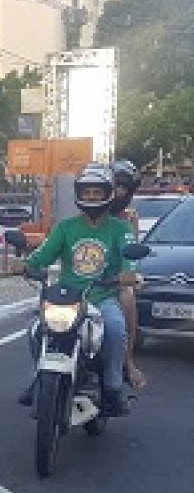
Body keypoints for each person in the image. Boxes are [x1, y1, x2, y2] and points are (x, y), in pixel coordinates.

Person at [16, 165, 136, 417]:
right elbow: (43, 255)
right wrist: (28, 265)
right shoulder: (65, 227)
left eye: (97, 191)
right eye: (87, 191)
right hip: (68, 298)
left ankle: (113, 388)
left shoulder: (121, 229)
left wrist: (127, 274)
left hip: (103, 298)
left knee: (115, 329)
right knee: (36, 329)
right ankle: (38, 378)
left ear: (108, 194)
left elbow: (130, 261)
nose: (92, 196)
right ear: (79, 194)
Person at [110, 159, 146, 389]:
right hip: (82, 276)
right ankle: (42, 375)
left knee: (128, 296)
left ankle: (127, 361)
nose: (119, 192)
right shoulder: (85, 211)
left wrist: (128, 275)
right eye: (116, 185)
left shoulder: (128, 218)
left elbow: (132, 254)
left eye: (124, 187)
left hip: (115, 277)